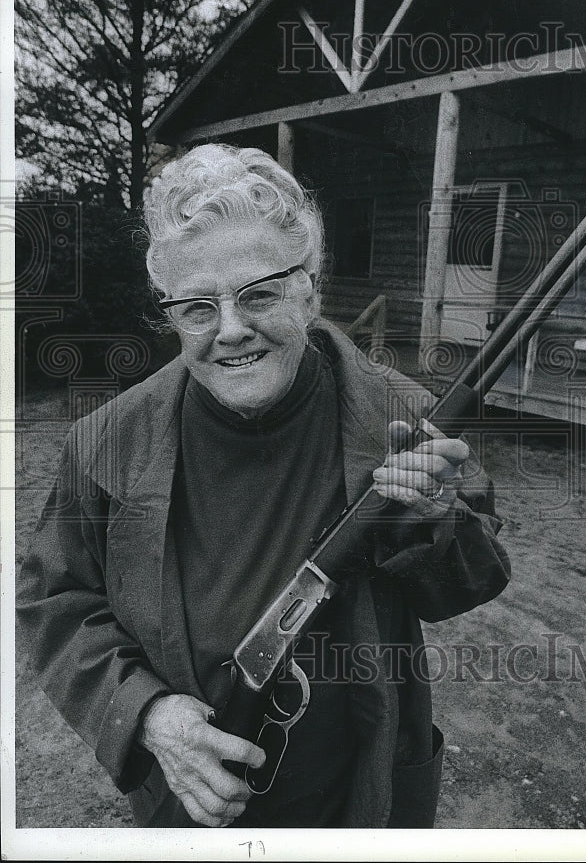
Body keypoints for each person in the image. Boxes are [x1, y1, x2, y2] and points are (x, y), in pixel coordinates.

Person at [17, 143, 511, 829]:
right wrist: (148, 714)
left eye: (259, 294)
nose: (230, 331)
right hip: (184, 796)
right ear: (169, 314)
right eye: (197, 308)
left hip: (352, 795)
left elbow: (471, 583)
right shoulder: (104, 443)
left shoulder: (402, 416)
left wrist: (434, 524)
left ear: (309, 287)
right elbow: (56, 602)